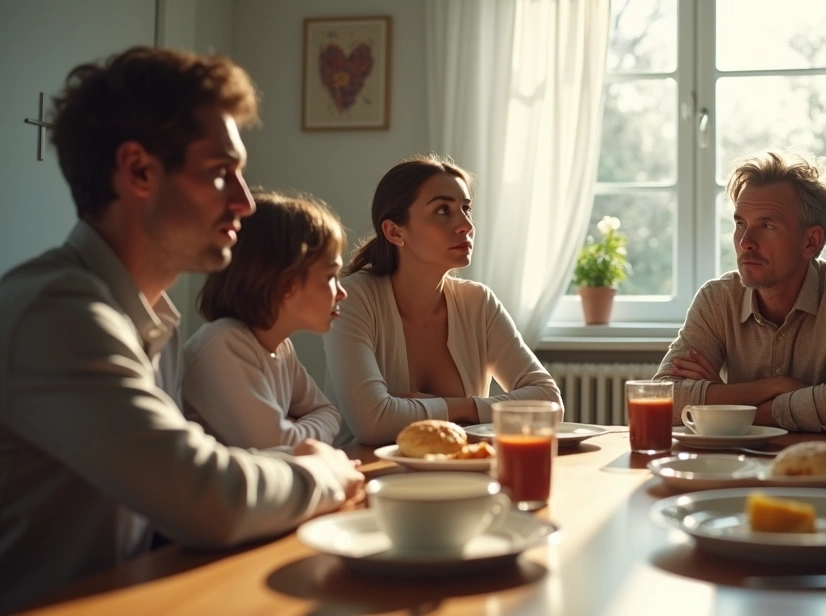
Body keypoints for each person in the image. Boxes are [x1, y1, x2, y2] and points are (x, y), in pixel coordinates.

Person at [0, 47, 362, 611]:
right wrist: (324, 472)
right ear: (138, 171)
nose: (244, 203)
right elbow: (203, 497)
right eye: (221, 174)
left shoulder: (152, 318)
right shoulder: (58, 313)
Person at [324, 154, 561, 446]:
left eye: (466, 209)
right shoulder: (351, 299)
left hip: (463, 474)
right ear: (395, 231)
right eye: (442, 211)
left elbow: (549, 401)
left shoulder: (478, 302)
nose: (465, 225)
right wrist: (471, 411)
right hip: (368, 479)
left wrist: (457, 405)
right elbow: (373, 424)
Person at [654, 149, 826, 432]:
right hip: (742, 469)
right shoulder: (717, 299)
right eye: (740, 223)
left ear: (811, 241)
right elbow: (661, 400)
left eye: (766, 225)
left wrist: (727, 408)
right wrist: (779, 387)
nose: (745, 242)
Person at [182, 192, 346, 448]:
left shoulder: (281, 348)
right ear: (285, 283)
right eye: (330, 276)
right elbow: (276, 445)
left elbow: (329, 412)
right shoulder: (224, 342)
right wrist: (292, 431)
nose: (342, 292)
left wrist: (294, 430)